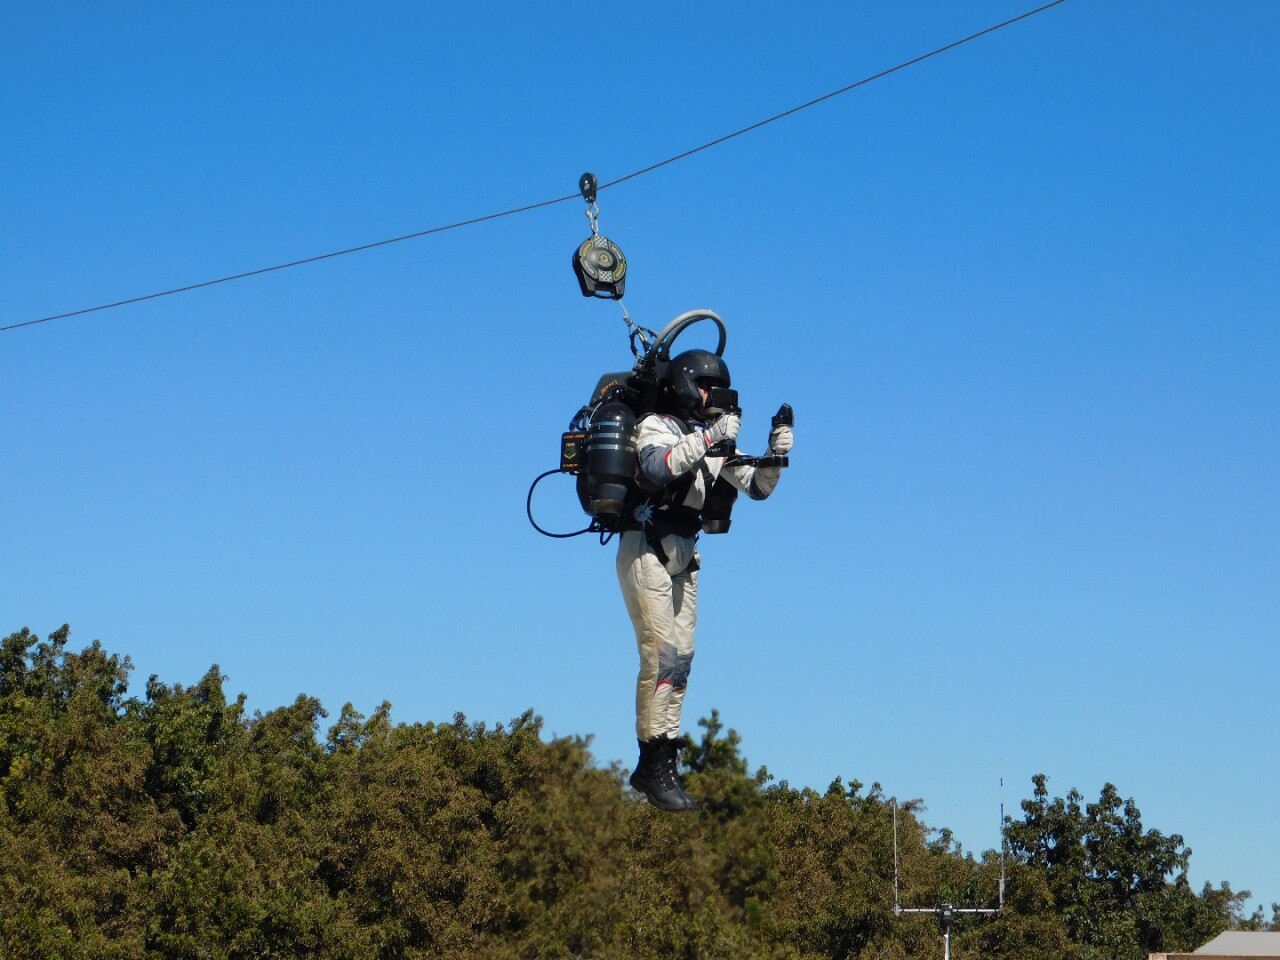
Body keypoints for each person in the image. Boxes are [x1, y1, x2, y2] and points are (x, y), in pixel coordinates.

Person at [617, 348, 794, 811]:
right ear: (683, 384)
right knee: (659, 656)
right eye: (705, 388)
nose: (711, 397)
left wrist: (776, 453)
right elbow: (656, 467)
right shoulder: (656, 425)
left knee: (681, 660)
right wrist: (711, 436)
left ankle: (665, 756)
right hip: (647, 544)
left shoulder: (709, 439)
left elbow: (756, 486)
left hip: (684, 551)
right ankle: (651, 759)